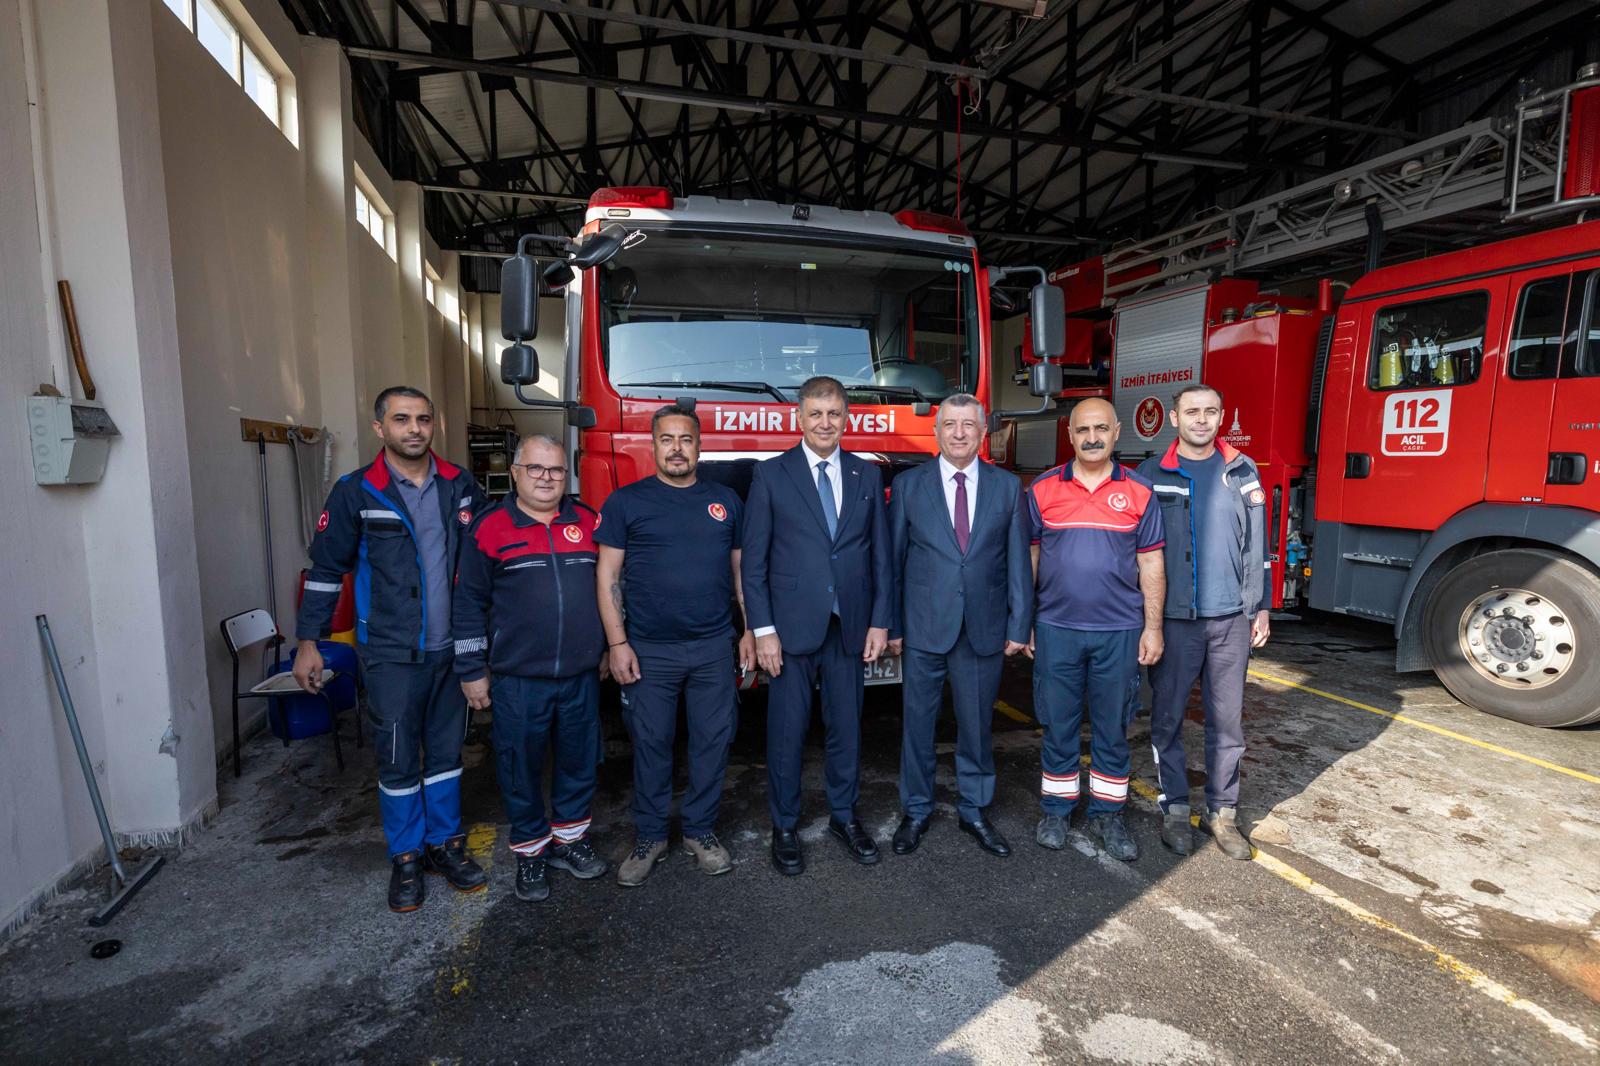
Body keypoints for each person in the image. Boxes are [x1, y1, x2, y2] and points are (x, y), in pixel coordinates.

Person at [293, 386, 487, 912]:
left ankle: (444, 845)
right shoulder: (357, 491)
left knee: (446, 754)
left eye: (423, 418)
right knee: (399, 758)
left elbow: (484, 557)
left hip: (450, 651)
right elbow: (326, 571)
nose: (415, 428)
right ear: (380, 428)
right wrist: (309, 643)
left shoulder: (459, 484)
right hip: (391, 654)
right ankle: (406, 856)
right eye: (402, 419)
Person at [595, 405, 755, 887]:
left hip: (713, 646)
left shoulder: (725, 501)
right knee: (651, 743)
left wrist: (750, 630)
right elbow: (607, 577)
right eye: (667, 439)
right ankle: (650, 837)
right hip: (649, 650)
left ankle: (700, 831)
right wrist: (617, 643)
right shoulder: (626, 502)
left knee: (713, 742)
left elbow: (741, 574)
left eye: (686, 439)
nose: (677, 448)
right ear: (654, 446)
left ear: (700, 447)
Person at [741, 376, 895, 875]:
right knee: (787, 732)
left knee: (847, 728)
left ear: (845, 418)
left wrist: (879, 621)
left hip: (849, 626)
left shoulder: (866, 474)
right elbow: (754, 563)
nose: (825, 423)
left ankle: (844, 817)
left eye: (833, 414)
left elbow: (880, 557)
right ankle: (784, 826)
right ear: (799, 418)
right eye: (816, 414)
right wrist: (763, 629)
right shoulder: (771, 474)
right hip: (788, 630)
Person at [452, 434, 608, 903]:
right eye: (536, 468)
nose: (546, 478)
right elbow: (467, 603)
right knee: (519, 767)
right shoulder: (489, 528)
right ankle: (531, 850)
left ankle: (570, 839)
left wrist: (609, 646)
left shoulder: (589, 521)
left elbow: (612, 589)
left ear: (567, 475)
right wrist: (471, 669)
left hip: (581, 674)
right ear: (516, 472)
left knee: (579, 761)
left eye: (556, 469)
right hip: (517, 678)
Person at [887, 394, 1032, 858]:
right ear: (936, 431)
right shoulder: (908, 486)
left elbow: (1017, 561)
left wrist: (1020, 624)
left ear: (983, 433)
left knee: (976, 726)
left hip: (983, 627)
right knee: (917, 726)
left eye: (969, 425)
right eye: (950, 424)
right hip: (923, 627)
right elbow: (892, 562)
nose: (959, 433)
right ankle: (916, 809)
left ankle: (974, 809)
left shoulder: (1007, 487)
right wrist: (890, 625)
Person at [1024, 397, 1165, 862]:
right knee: (1057, 724)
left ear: (1116, 432)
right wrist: (1024, 622)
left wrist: (1152, 628)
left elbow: (1151, 563)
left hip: (1119, 632)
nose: (1092, 438)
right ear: (1070, 435)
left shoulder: (1140, 492)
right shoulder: (1043, 489)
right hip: (1056, 628)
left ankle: (1108, 814)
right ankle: (1056, 810)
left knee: (1112, 727)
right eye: (1083, 430)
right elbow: (1030, 559)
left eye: (1101, 429)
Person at [1137, 384, 1270, 861]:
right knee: (1168, 718)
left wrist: (1261, 606)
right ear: (1175, 418)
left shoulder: (1242, 470)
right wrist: (1144, 619)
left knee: (1227, 722)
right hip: (1175, 621)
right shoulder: (1151, 474)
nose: (1201, 419)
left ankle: (1222, 813)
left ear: (1221, 416)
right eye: (1191, 411)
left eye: (1210, 411)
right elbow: (1137, 551)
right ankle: (1175, 808)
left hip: (1231, 619)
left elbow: (1258, 545)